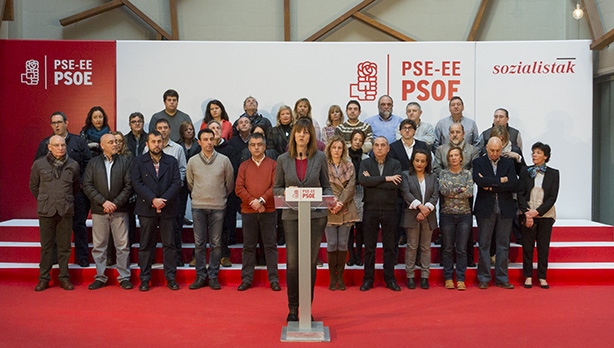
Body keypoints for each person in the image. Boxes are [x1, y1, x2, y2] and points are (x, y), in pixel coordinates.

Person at [273, 117, 332, 322]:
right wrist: (288, 191)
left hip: (315, 217)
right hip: (291, 216)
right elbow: (277, 188)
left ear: (311, 136)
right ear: (294, 134)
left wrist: (330, 200)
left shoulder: (320, 158)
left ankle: (307, 307)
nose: (302, 135)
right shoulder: (282, 159)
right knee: (293, 264)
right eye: (299, 131)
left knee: (309, 264)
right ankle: (292, 308)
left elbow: (326, 186)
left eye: (306, 132)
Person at [34, 111, 92, 268]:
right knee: (53, 226)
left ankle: (82, 257)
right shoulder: (45, 144)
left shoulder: (79, 141)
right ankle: (53, 258)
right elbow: (37, 169)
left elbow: (88, 163)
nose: (57, 125)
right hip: (52, 196)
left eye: (59, 122)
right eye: (53, 123)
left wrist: (80, 183)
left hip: (77, 192)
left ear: (66, 123)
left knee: (79, 225)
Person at [130, 130, 182, 291]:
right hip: (147, 207)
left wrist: (163, 200)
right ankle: (145, 279)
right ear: (147, 144)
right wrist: (153, 199)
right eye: (153, 141)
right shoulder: (138, 161)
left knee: (170, 244)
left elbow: (176, 183)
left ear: (163, 143)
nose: (157, 144)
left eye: (159, 141)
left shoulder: (171, 161)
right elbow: (136, 183)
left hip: (168, 207)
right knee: (146, 244)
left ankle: (171, 278)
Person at [30, 135, 81, 291]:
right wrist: (46, 199)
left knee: (65, 247)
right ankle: (44, 278)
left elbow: (76, 187)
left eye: (63, 145)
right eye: (57, 145)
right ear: (49, 147)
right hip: (46, 211)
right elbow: (34, 187)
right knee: (46, 247)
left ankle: (64, 278)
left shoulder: (73, 165)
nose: (61, 148)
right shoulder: (39, 165)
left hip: (65, 210)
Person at [83, 134, 133, 290]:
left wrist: (115, 204)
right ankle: (100, 277)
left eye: (116, 142)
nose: (115, 144)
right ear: (102, 145)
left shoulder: (125, 162)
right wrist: (104, 202)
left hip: (120, 210)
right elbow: (87, 185)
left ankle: (124, 277)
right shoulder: (93, 163)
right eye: (111, 142)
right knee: (99, 246)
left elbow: (129, 186)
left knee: (122, 246)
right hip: (99, 210)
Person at [186, 128, 234, 290]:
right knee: (199, 243)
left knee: (216, 243)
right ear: (198, 142)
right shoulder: (192, 161)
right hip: (198, 207)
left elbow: (229, 184)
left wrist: (219, 196)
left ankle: (213, 276)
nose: (208, 142)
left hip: (218, 207)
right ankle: (200, 276)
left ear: (214, 141)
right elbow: (190, 183)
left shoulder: (224, 160)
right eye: (204, 139)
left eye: (210, 139)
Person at [235, 132, 281, 291]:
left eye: (259, 144)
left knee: (270, 245)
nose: (256, 147)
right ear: (249, 147)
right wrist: (253, 202)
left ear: (265, 146)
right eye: (253, 145)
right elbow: (239, 188)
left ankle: (273, 279)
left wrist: (261, 200)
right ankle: (246, 279)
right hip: (249, 211)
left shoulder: (273, 164)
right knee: (248, 246)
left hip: (268, 210)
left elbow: (276, 186)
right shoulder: (244, 166)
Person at [473, 137, 518, 289]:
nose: (494, 153)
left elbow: (513, 183)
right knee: (484, 244)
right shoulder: (478, 162)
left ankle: (502, 277)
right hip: (485, 208)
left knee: (503, 245)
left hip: (505, 208)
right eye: (492, 150)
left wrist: (490, 183)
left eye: (498, 150)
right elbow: (479, 181)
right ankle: (484, 278)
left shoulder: (508, 162)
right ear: (486, 147)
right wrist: (501, 180)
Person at [358, 136, 403, 292]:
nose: (379, 148)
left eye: (383, 145)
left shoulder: (395, 164)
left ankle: (390, 279)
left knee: (389, 246)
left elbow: (396, 185)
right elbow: (363, 181)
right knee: (369, 246)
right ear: (372, 147)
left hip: (390, 209)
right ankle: (368, 279)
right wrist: (386, 179)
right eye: (376, 145)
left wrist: (375, 181)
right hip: (370, 208)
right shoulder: (365, 163)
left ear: (388, 148)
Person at [518, 142, 559, 289]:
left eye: (538, 152)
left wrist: (538, 212)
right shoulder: (525, 171)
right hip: (528, 213)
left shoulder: (554, 173)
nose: (534, 155)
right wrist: (528, 213)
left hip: (545, 215)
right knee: (528, 246)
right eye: (533, 152)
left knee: (543, 247)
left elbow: (552, 197)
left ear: (546, 156)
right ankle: (528, 276)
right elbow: (520, 194)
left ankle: (542, 277)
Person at [149, 118, 187, 267]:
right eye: (160, 127)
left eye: (165, 127)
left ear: (170, 130)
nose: (163, 130)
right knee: (151, 234)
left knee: (174, 231)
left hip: (172, 196)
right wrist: (154, 196)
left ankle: (177, 259)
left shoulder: (177, 148)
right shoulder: (149, 148)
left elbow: (182, 169)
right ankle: (151, 259)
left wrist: (172, 191)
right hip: (152, 198)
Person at [400, 148, 438, 290]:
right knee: (412, 246)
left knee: (425, 247)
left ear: (427, 162)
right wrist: (420, 207)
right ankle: (410, 276)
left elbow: (435, 195)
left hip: (428, 215)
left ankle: (424, 277)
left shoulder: (432, 176)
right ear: (413, 161)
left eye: (423, 161)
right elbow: (406, 193)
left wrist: (425, 209)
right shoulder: (405, 175)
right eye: (417, 160)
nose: (419, 163)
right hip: (412, 214)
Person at [325, 136, 358, 291]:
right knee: (332, 243)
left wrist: (340, 202)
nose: (336, 150)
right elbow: (321, 184)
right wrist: (332, 202)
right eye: (334, 147)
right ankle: (333, 276)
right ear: (329, 149)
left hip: (346, 207)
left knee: (343, 243)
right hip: (328, 207)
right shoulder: (323, 165)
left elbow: (351, 187)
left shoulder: (349, 165)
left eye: (339, 148)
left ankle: (341, 276)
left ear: (343, 150)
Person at [438, 147, 473, 290]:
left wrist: (452, 191)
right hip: (447, 215)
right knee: (447, 248)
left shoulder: (467, 174)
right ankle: (448, 278)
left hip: (465, 215)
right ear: (448, 158)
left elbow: (469, 192)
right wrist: (460, 189)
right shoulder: (443, 173)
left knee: (462, 249)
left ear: (461, 158)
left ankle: (460, 279)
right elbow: (443, 191)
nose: (453, 158)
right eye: (451, 155)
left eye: (456, 155)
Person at [346, 130, 369, 267]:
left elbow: (367, 177)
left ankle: (359, 255)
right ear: (351, 140)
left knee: (360, 227)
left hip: (361, 193)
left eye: (360, 140)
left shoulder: (366, 158)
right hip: (348, 194)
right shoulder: (345, 157)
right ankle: (351, 256)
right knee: (349, 227)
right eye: (355, 139)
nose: (357, 142)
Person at [178, 120, 201, 226]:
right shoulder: (177, 145)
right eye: (186, 130)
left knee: (197, 204)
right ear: (182, 132)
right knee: (180, 205)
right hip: (181, 179)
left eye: (191, 129)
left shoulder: (199, 144)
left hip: (196, 179)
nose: (189, 131)